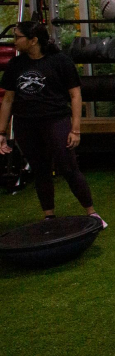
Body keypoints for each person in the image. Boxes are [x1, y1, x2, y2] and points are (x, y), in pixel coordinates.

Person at [0, 21, 105, 228]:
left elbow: (75, 95)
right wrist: (1, 132)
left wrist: (75, 129)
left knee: (68, 167)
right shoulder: (15, 65)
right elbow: (8, 100)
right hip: (26, 124)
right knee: (40, 170)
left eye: (17, 37)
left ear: (33, 40)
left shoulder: (60, 61)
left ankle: (92, 214)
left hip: (56, 121)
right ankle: (49, 216)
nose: (14, 42)